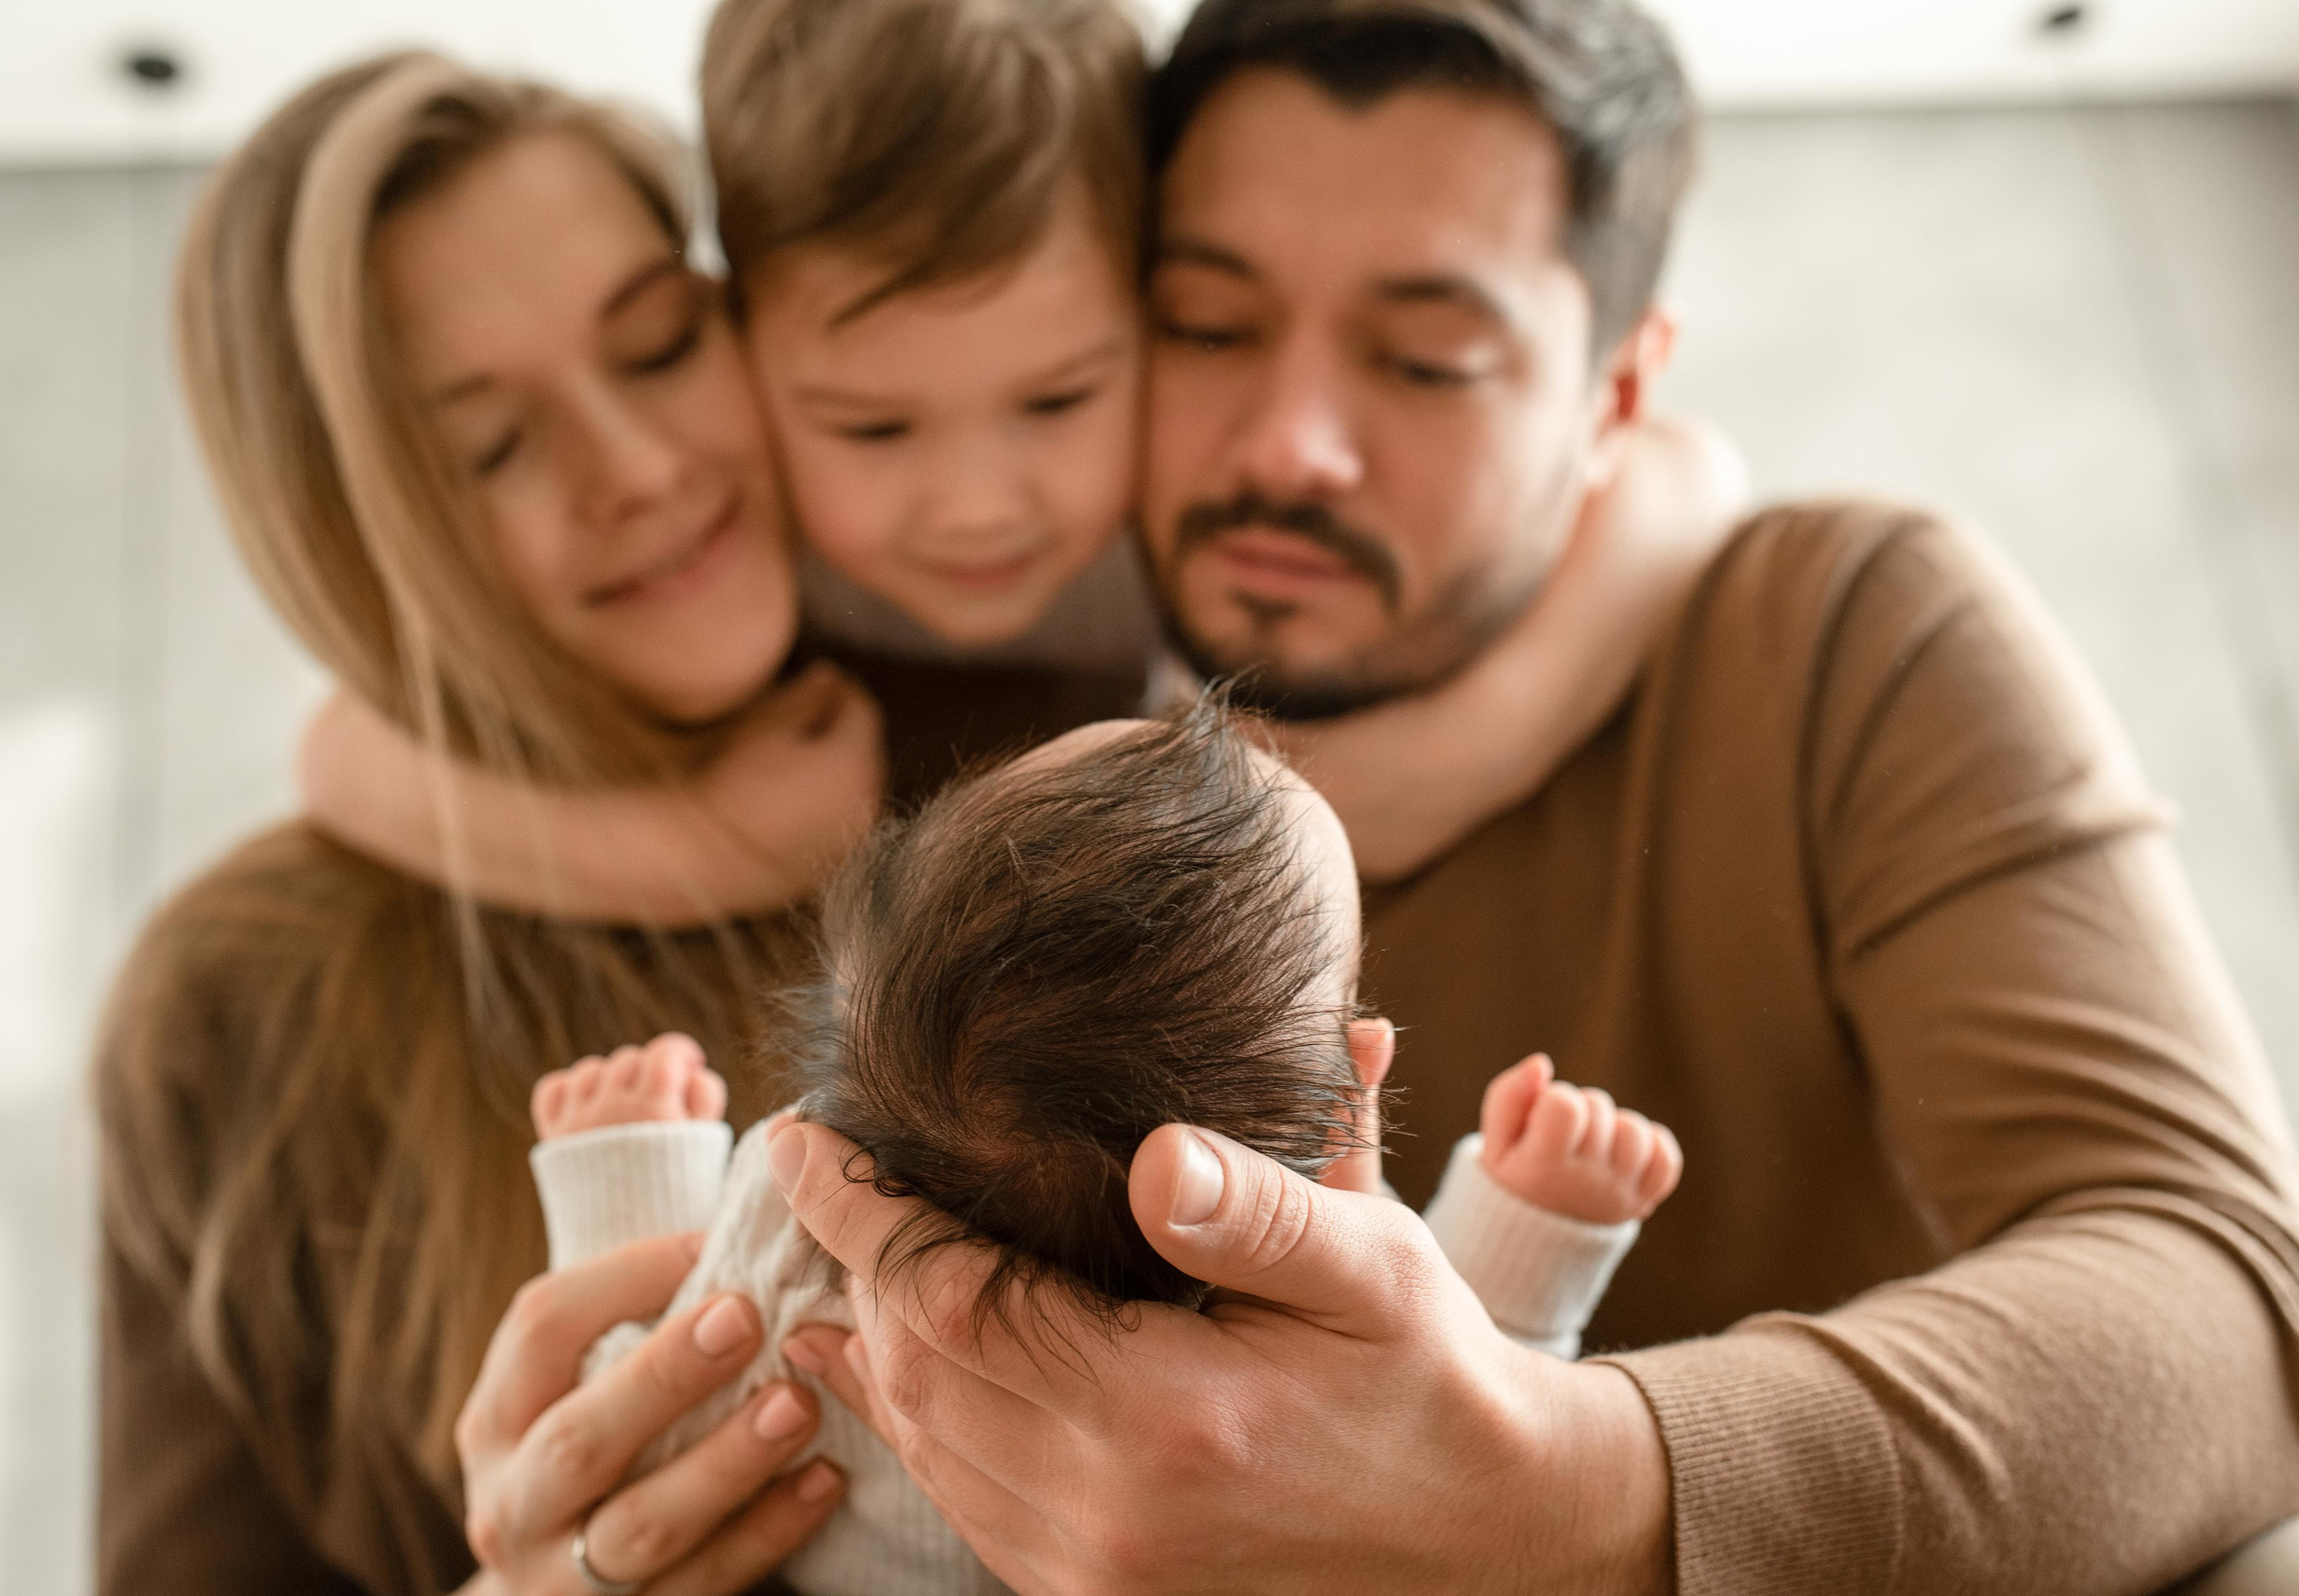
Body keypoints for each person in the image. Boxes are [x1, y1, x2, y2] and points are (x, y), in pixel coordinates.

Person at [763, 1, 2299, 1591]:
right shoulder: (995, 778)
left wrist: (1554, 1483)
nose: (1291, 445)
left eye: (1426, 360)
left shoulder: (1842, 628)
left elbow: (2233, 1299)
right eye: (1209, 325)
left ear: (1619, 392)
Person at [91, 52, 998, 1596]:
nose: (640, 472)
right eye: (491, 449)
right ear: (351, 544)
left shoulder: (1039, 756)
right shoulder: (233, 1009)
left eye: (658, 343)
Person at [291, 0, 1748, 924]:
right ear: (742, 334)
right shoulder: (731, 537)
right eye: (871, 426)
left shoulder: (1192, 527)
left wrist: (1441, 759)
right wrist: (707, 848)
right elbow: (341, 757)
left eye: (1059, 400)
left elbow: (1684, 482)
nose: (979, 505)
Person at [518, 701, 1682, 1594]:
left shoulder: (799, 1217)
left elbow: (648, 1401)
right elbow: (1463, 1425)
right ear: (1355, 1084)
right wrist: (1540, 1224)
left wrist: (627, 1177)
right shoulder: (1307, 1323)